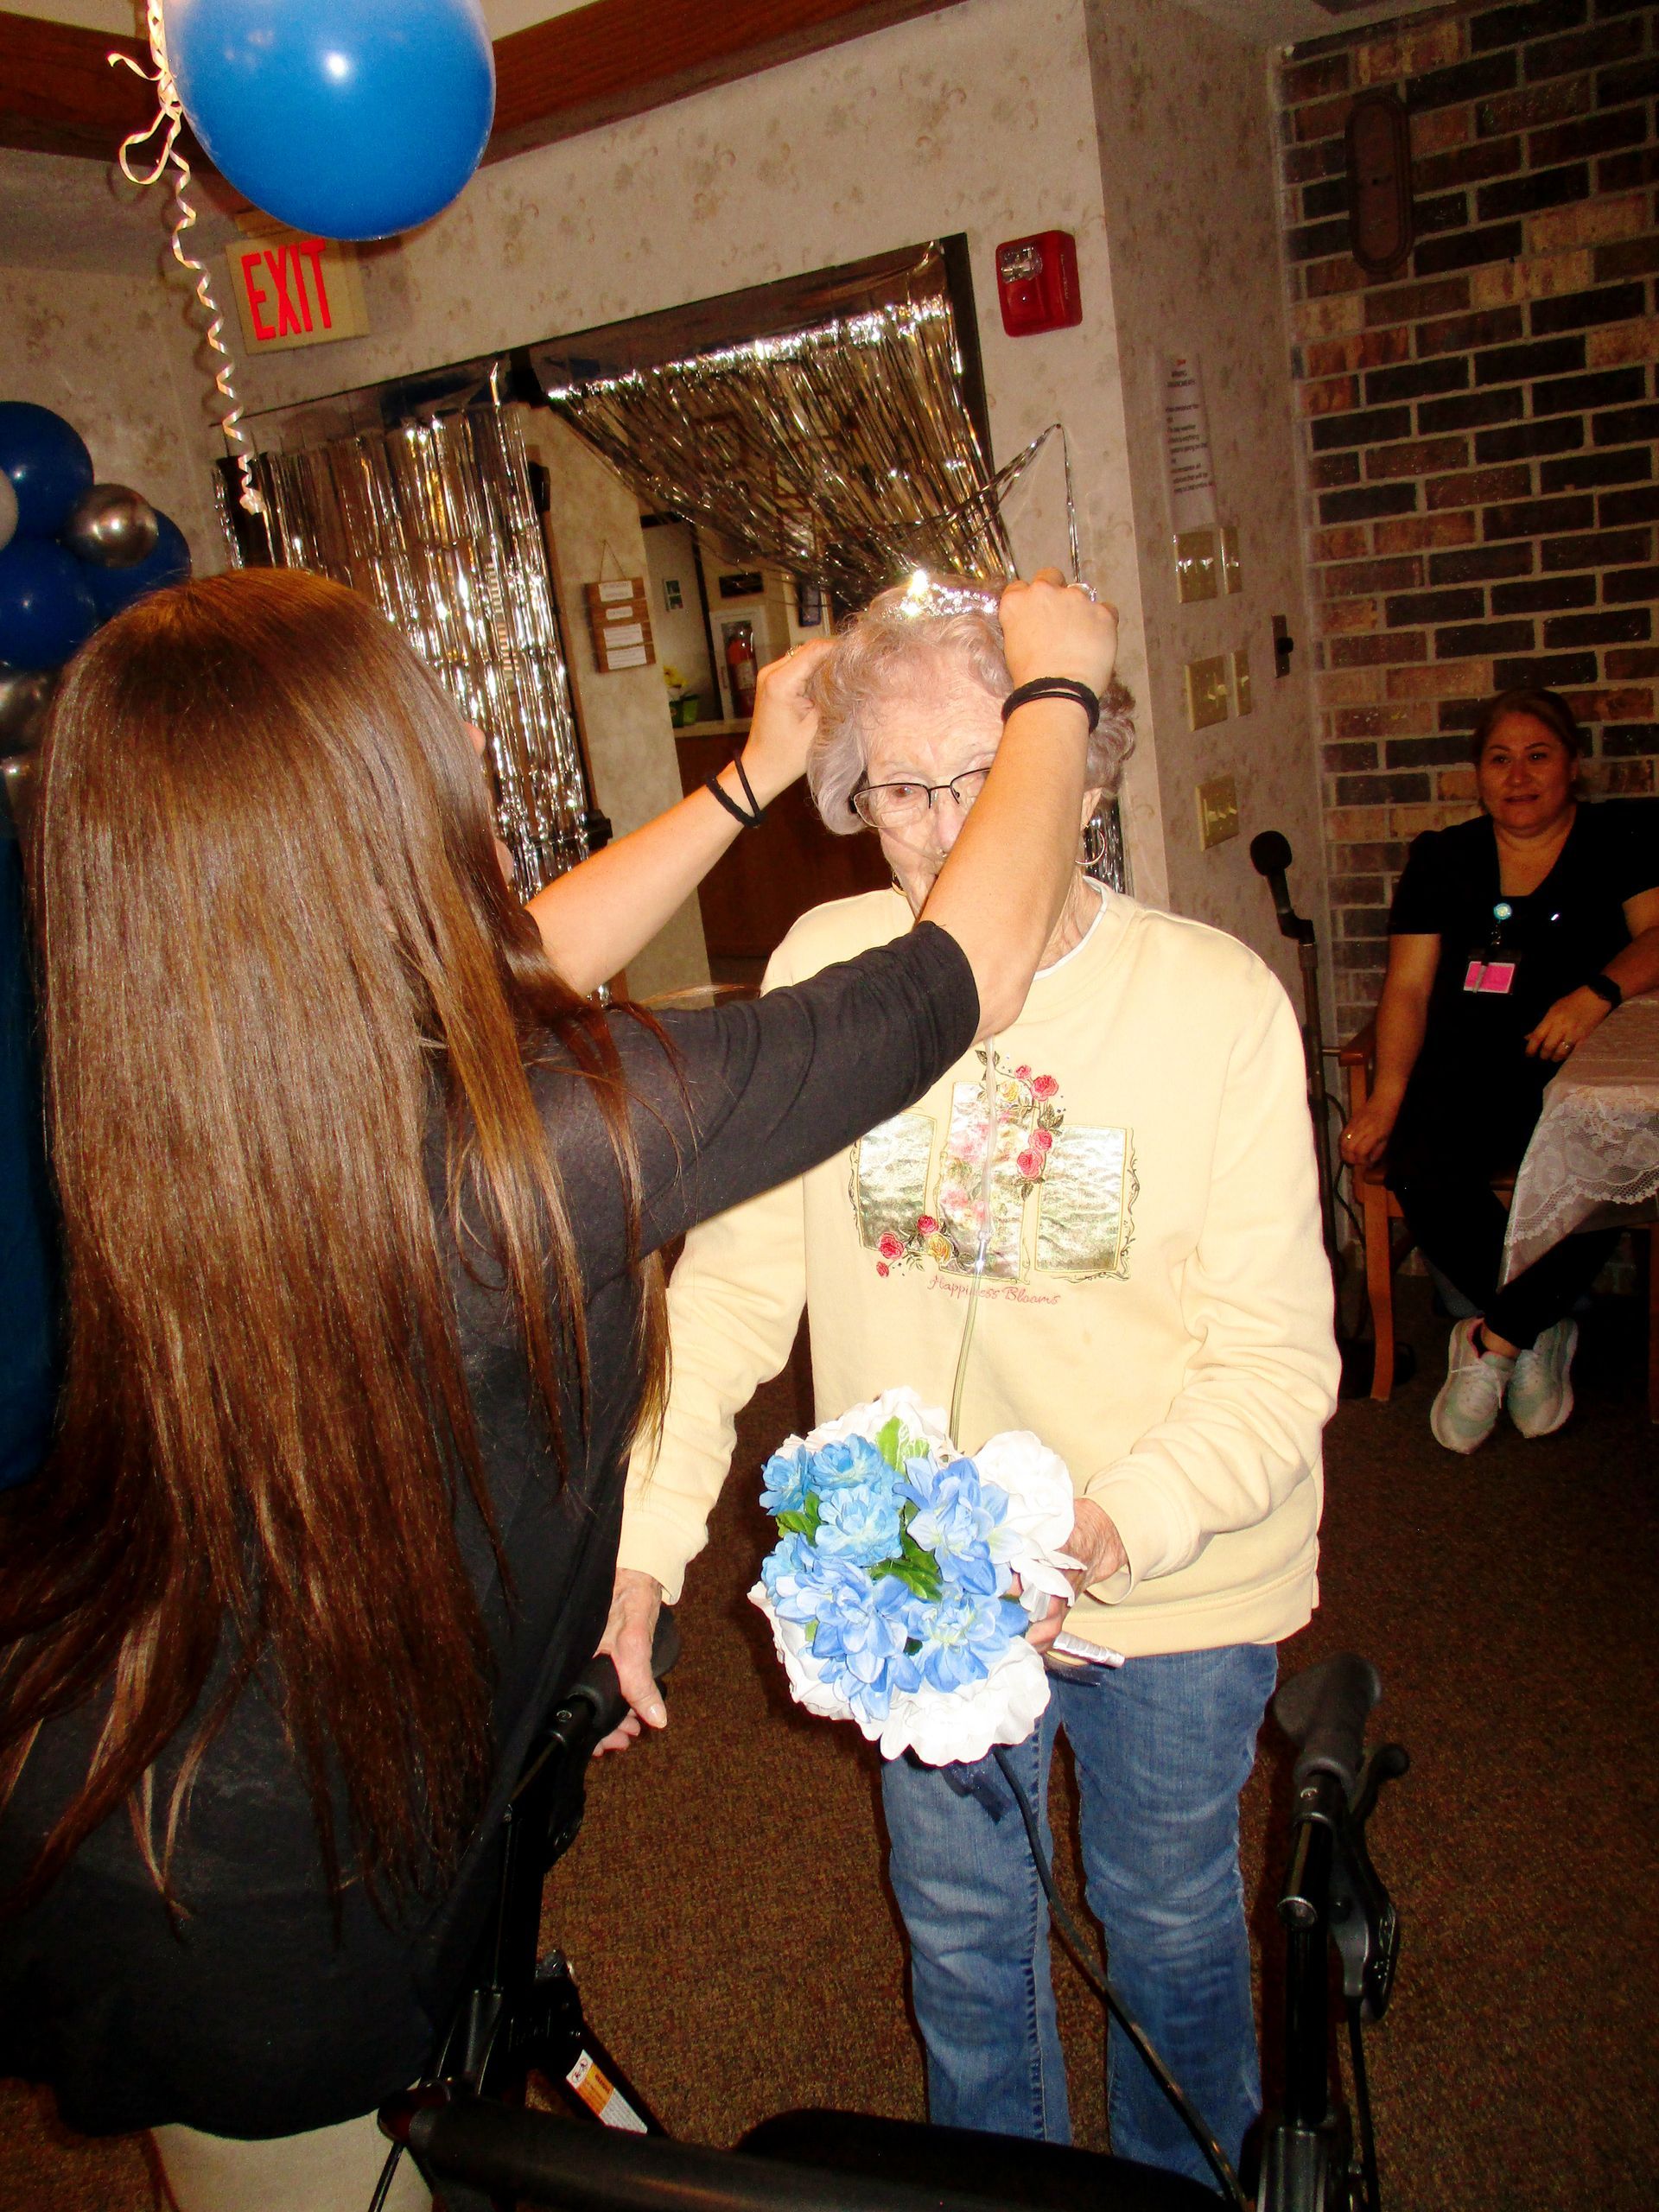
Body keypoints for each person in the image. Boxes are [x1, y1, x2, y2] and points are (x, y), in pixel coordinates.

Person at [0, 563, 1116, 2212]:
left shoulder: (217, 1086)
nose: (461, 723)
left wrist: (749, 776)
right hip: (236, 1903)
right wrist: (1059, 688)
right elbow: (961, 976)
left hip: (159, 1755)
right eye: (415, 708)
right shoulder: (534, 1159)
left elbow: (523, 966)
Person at [605, 577, 1338, 2189]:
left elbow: (1281, 1362)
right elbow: (731, 1293)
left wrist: (1105, 1527)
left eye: (986, 778)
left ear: (1084, 767)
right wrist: (642, 1544)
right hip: (920, 1594)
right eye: (897, 791)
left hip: (1167, 1575)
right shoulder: (829, 959)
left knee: (1164, 1928)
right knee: (958, 1928)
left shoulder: (1214, 1003)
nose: (942, 838)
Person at [1339, 688, 1659, 1454]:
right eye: (1500, 759)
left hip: (1579, 1066)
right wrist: (1386, 1098)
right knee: (1413, 1159)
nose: (1519, 776)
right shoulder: (1442, 858)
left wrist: (1596, 994)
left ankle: (1492, 1342)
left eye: (1538, 756)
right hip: (1465, 1065)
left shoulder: (1622, 836)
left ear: (1574, 766)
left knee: (1609, 1161)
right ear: (1477, 774)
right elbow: (1409, 989)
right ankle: (1530, 1331)